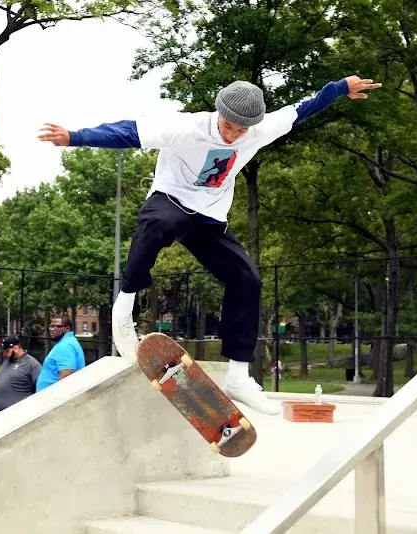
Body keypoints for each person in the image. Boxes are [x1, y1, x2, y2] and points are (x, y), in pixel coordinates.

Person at [38, 75, 382, 415]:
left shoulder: (260, 130)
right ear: (219, 113)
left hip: (210, 219)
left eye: (241, 130)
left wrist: (340, 88)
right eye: (228, 126)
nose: (233, 135)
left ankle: (238, 376)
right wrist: (75, 137)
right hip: (170, 200)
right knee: (158, 224)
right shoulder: (184, 128)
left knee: (247, 279)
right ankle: (125, 304)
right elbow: (127, 131)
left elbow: (303, 109)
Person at [0, 335, 41, 415]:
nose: (5, 354)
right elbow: (12, 380)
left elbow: (40, 387)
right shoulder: (8, 361)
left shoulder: (31, 364)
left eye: (7, 351)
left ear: (16, 348)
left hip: (16, 415)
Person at [36, 316, 86, 392]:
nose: (52, 329)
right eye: (51, 326)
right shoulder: (68, 342)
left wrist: (56, 397)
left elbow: (67, 375)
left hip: (51, 397)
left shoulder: (65, 345)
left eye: (57, 326)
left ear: (67, 328)